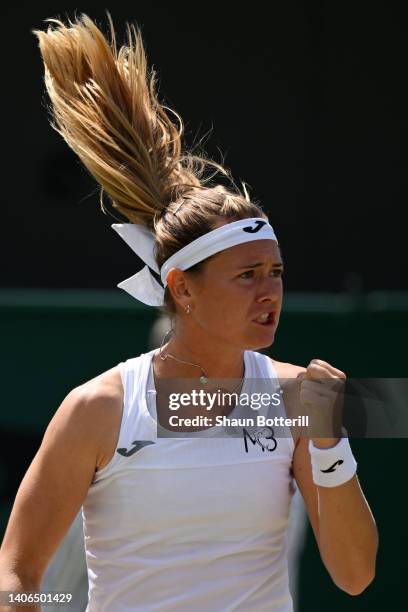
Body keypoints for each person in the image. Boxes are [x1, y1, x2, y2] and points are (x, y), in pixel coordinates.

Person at [0, 13, 378, 612]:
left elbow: (355, 576)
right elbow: (18, 572)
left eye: (276, 273)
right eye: (247, 275)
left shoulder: (294, 401)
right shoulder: (99, 410)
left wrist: (330, 444)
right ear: (182, 289)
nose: (270, 292)